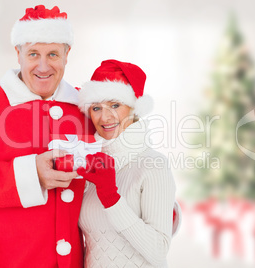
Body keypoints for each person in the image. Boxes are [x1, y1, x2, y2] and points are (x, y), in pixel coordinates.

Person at [0, 5, 94, 268]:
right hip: (5, 260)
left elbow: (111, 170)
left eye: (53, 54)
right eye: (34, 53)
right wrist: (31, 173)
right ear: (18, 53)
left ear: (67, 55)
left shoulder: (86, 107)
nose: (43, 66)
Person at [75, 59, 178, 267]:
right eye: (96, 108)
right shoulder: (92, 167)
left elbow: (159, 250)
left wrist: (111, 198)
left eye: (115, 105)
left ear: (134, 108)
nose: (105, 117)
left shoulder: (153, 164)